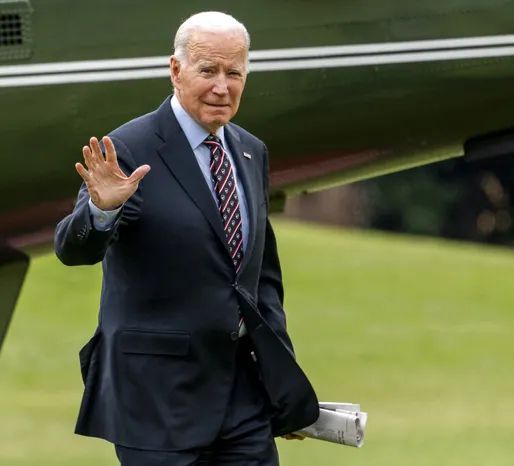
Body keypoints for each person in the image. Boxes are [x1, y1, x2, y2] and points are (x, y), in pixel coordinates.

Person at [54, 11, 319, 466]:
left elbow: (260, 283)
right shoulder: (129, 149)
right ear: (176, 70)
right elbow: (73, 250)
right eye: (208, 70)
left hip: (242, 399)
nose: (222, 87)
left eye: (234, 73)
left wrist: (283, 386)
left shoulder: (251, 151)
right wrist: (102, 210)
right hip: (156, 401)